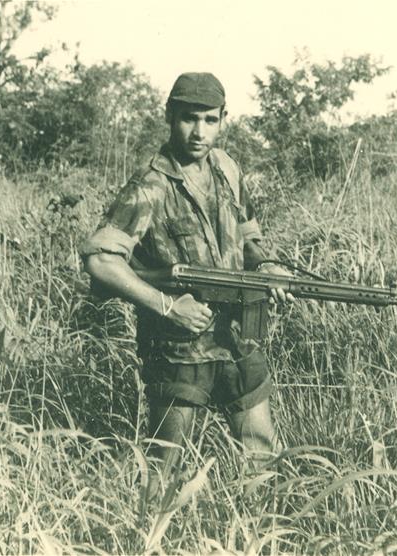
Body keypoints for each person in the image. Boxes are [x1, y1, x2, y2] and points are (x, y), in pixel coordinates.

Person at [80, 72, 293, 469]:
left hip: (237, 336)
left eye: (210, 120)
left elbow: (248, 238)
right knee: (167, 465)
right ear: (169, 116)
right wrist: (166, 305)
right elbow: (100, 260)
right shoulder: (150, 186)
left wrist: (267, 267)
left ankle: (259, 523)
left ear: (223, 119)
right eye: (189, 118)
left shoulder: (227, 169)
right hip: (179, 347)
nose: (199, 132)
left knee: (261, 455)